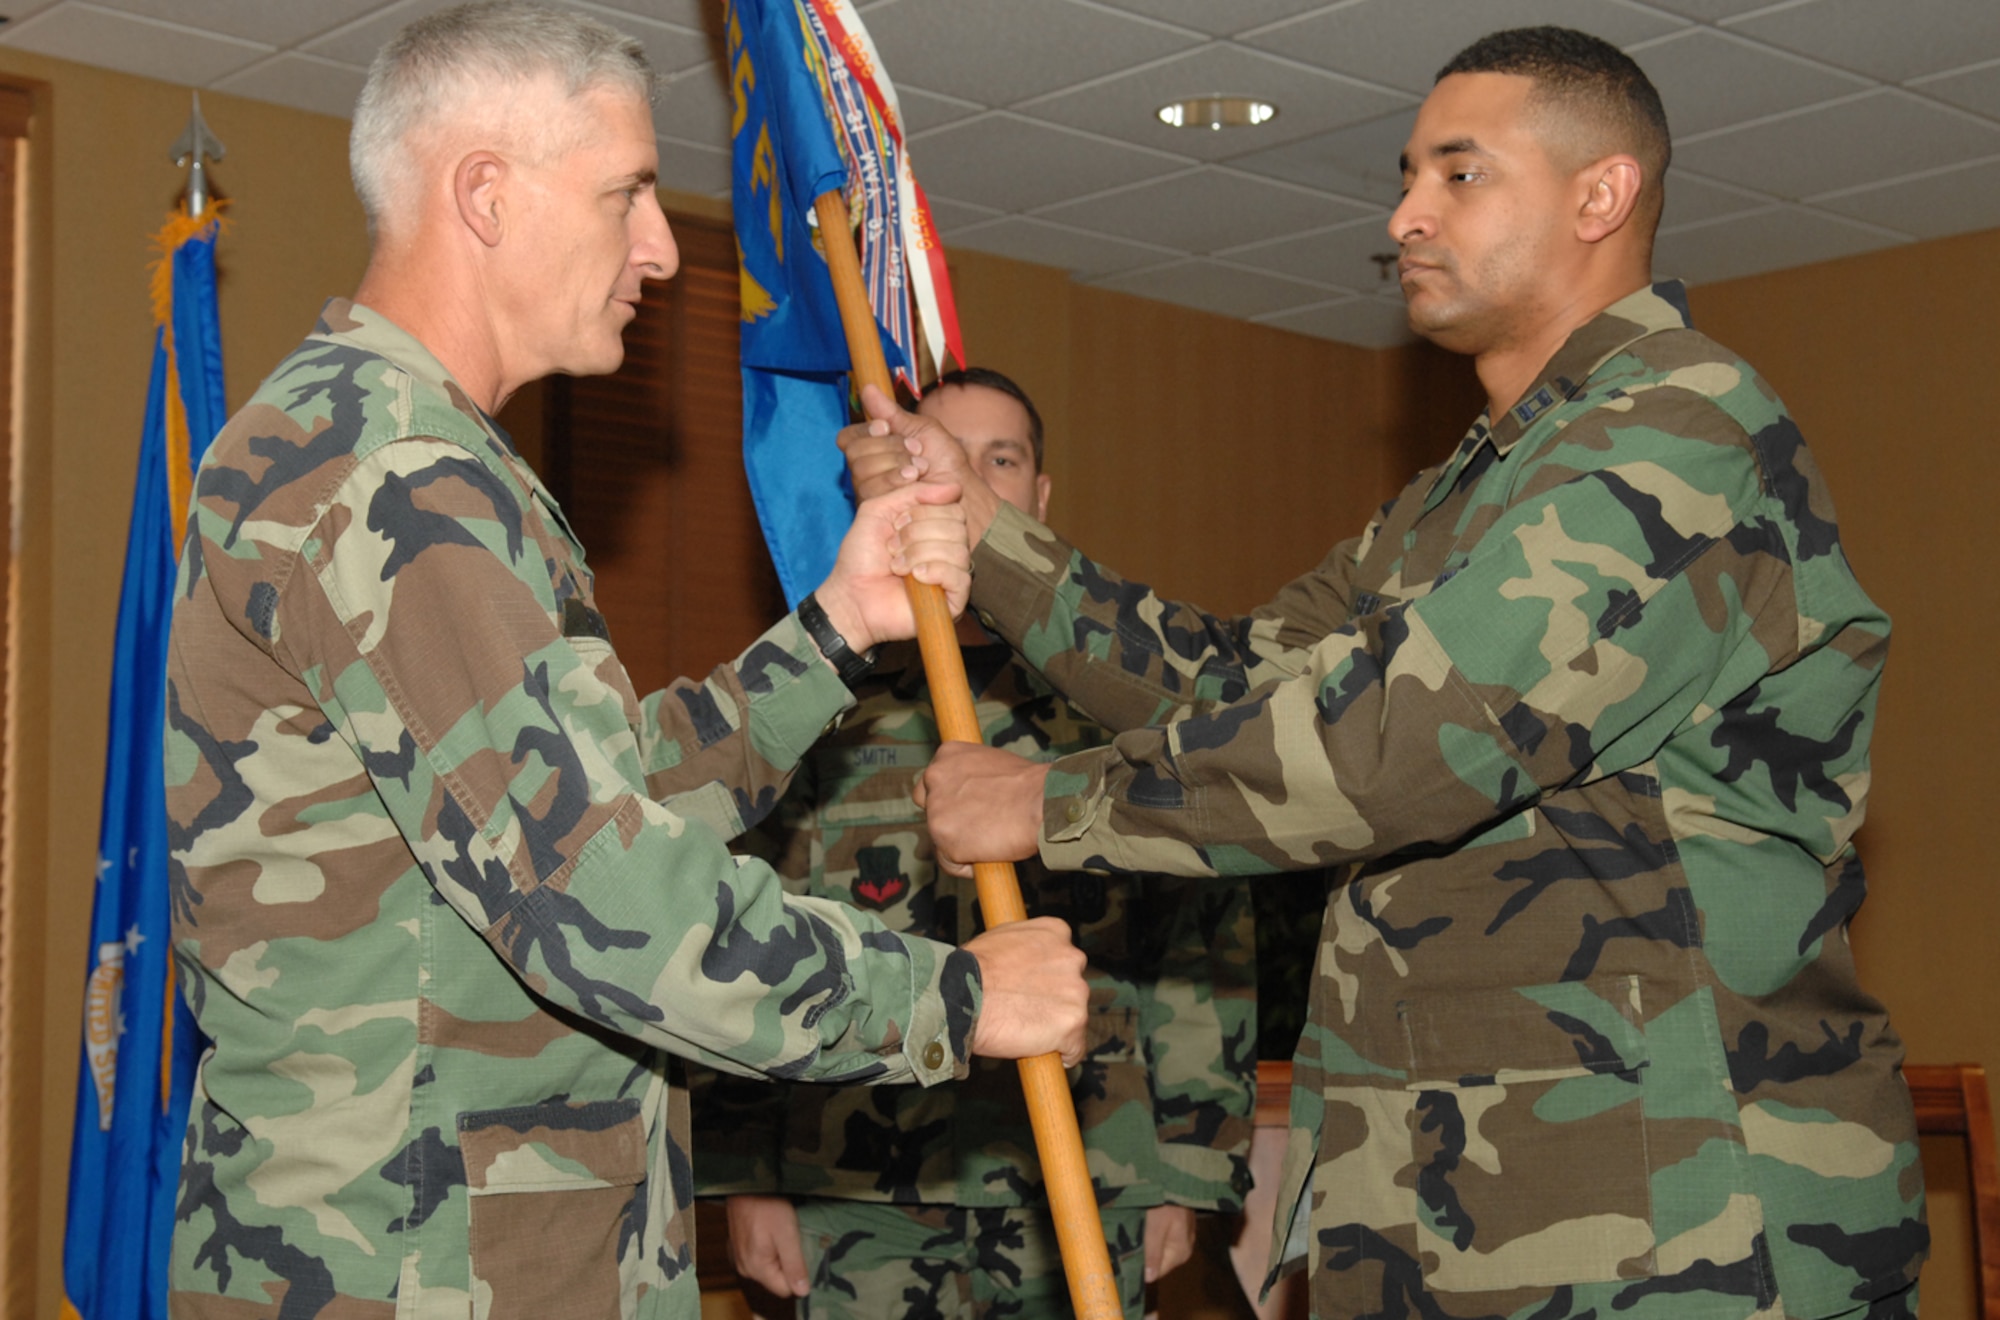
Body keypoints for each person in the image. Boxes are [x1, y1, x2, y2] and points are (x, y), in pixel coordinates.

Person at [853, 26, 1927, 1320]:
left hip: (1670, 1211)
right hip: (1450, 1195)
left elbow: (1406, 747)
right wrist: (986, 535)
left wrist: (1044, 808)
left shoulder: (1681, 437)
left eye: (1460, 176)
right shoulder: (1462, 493)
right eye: (1408, 175)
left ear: (1602, 195)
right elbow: (1237, 684)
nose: (1406, 214)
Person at [161, 6, 1089, 1317]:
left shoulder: (414, 455)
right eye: (628, 194)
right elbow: (605, 896)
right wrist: (953, 996)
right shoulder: (395, 478)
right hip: (409, 1267)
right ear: (485, 195)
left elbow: (592, 799)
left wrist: (833, 631)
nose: (659, 247)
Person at [693, 368, 1258, 1319]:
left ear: (1035, 498)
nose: (966, 477)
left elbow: (1201, 941)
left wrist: (1189, 1169)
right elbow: (745, 925)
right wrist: (747, 1174)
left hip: (1086, 1168)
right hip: (859, 1178)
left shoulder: (1109, 704)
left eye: (1001, 458)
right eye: (937, 454)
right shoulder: (811, 701)